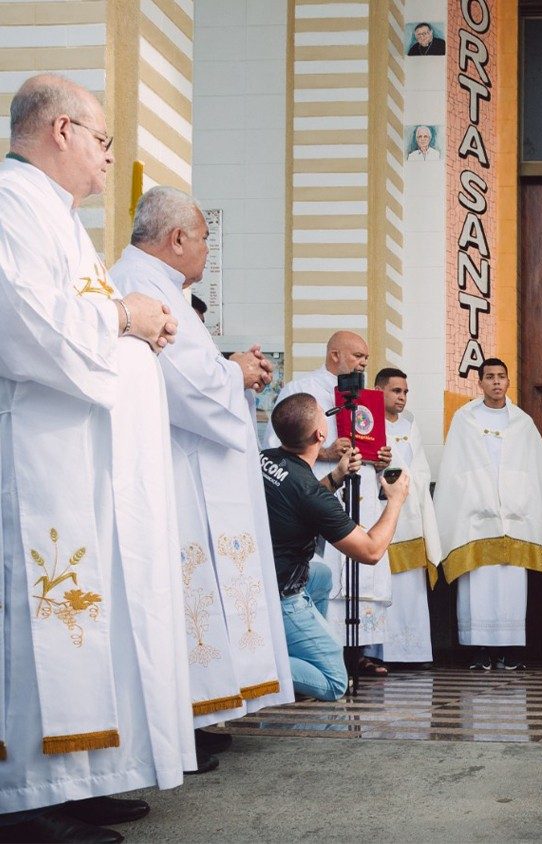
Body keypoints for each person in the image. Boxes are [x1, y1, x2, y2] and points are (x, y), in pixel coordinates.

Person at [0, 73, 193, 842]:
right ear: (61, 131)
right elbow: (23, 321)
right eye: (104, 140)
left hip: (79, 461)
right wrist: (126, 315)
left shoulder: (56, 214)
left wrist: (136, 326)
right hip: (36, 460)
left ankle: (77, 775)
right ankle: (24, 796)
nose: (110, 157)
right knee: (35, 620)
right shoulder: (12, 204)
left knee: (76, 624)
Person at [112, 186, 295, 772]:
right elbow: (184, 386)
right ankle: (183, 723)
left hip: (192, 466)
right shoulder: (137, 287)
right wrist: (233, 373)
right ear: (178, 239)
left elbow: (192, 370)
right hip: (172, 472)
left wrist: (232, 367)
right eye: (206, 240)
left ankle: (197, 713)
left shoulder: (161, 287)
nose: (208, 253)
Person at [261, 394, 410, 701]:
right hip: (280, 593)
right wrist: (395, 500)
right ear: (321, 435)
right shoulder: (310, 493)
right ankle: (258, 666)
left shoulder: (267, 459)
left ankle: (296, 653)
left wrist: (337, 475)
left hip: (261, 574)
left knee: (322, 574)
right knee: (334, 682)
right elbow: (370, 551)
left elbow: (301, 498)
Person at [435, 358, 542, 671]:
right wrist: (473, 495)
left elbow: (535, 471)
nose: (495, 382)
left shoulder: (522, 422)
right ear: (479, 383)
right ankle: (478, 650)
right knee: (476, 587)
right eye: (489, 377)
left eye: (501, 377)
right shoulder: (465, 419)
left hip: (513, 516)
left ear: (508, 382)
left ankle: (510, 649)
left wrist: (521, 499)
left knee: (510, 587)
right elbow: (455, 467)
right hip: (475, 517)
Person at [365, 367, 441, 666]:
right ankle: (380, 652)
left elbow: (422, 468)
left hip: (412, 513)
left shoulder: (411, 427)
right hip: (383, 514)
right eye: (396, 390)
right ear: (379, 390)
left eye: (406, 392)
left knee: (411, 587)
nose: (402, 397)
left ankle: (414, 651)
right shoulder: (368, 424)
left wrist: (412, 482)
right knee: (385, 585)